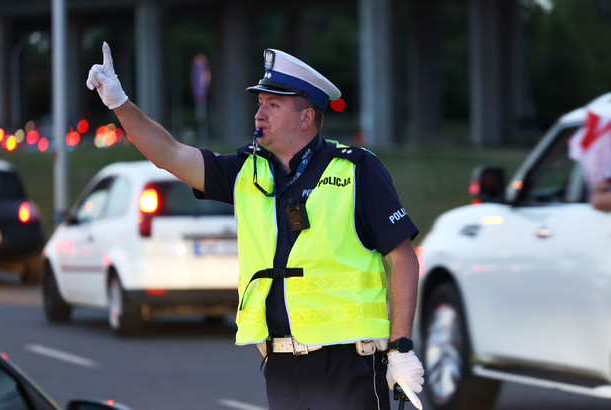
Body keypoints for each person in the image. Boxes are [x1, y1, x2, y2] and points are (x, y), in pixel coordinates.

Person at [87, 42, 424, 410]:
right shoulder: (247, 171)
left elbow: (402, 258)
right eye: (259, 104)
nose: (259, 114)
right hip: (280, 365)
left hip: (348, 363)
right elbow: (168, 153)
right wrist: (118, 102)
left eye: (273, 105)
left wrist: (401, 347)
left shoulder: (356, 169)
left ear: (306, 117)